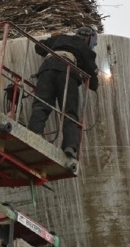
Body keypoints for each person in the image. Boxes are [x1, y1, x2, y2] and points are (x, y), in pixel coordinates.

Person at [27, 26, 100, 160]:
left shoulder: (60, 38)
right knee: (69, 112)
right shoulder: (85, 48)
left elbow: (39, 47)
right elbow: (92, 78)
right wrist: (95, 83)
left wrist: (53, 39)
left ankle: (34, 134)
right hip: (67, 73)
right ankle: (70, 147)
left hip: (47, 70)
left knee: (40, 105)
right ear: (88, 38)